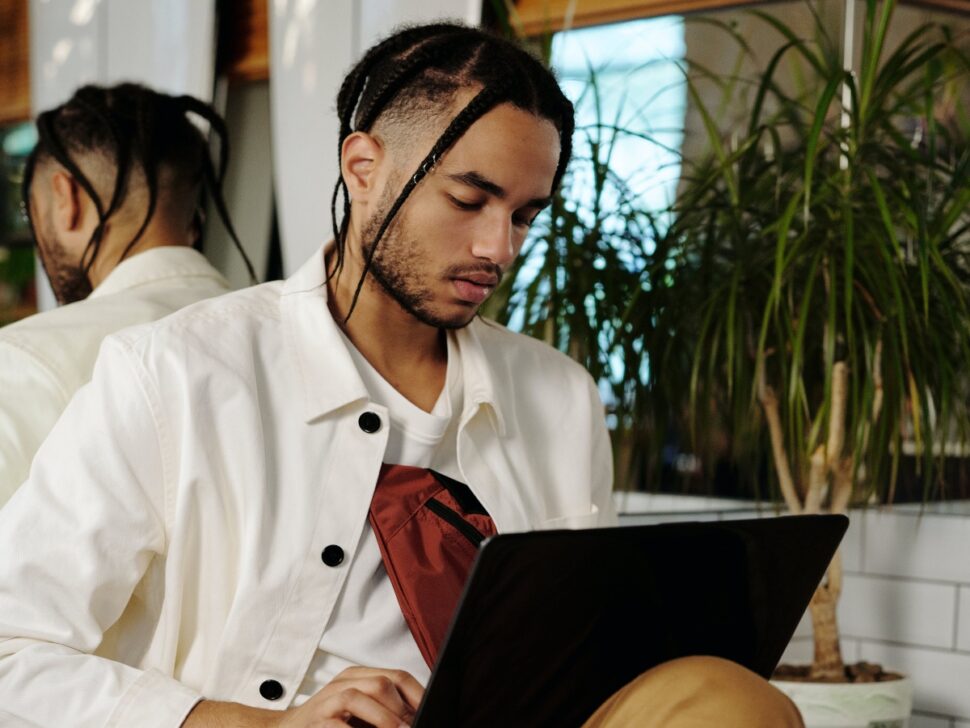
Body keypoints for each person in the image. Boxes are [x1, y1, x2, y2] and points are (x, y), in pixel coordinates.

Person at [0, 25, 802, 728]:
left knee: (741, 701)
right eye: (470, 198)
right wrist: (253, 725)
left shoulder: (558, 398)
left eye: (525, 214)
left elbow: (577, 656)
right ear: (364, 166)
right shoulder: (174, 372)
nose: (501, 248)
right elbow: (10, 648)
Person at [0, 83, 252, 505]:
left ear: (67, 197)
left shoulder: (28, 362)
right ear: (194, 213)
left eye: (32, 213)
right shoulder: (283, 334)